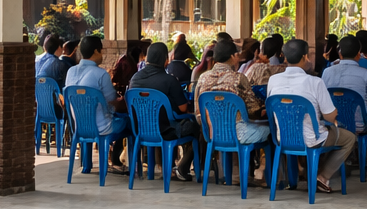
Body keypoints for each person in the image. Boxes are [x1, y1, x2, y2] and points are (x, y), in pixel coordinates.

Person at [267, 39, 355, 193]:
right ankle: (322, 177)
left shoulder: (273, 80)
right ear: (305, 57)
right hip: (311, 139)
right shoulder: (315, 82)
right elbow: (329, 116)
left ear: (285, 58)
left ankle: (306, 175)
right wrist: (333, 115)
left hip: (283, 137)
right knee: (349, 138)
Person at [194, 38, 270, 180]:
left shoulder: (203, 78)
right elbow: (253, 110)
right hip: (238, 134)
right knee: (270, 130)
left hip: (211, 133)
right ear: (233, 56)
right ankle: (269, 178)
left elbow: (198, 111)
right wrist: (262, 109)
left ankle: (231, 176)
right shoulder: (238, 78)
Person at [128, 42, 201, 182]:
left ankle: (164, 168)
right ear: (165, 60)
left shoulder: (135, 79)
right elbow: (183, 109)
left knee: (158, 122)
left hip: (140, 129)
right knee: (196, 127)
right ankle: (182, 167)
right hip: (166, 131)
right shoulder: (169, 80)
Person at [64, 36, 131, 172]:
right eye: (101, 51)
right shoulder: (101, 74)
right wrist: (123, 100)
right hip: (103, 128)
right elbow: (112, 102)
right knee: (130, 124)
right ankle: (129, 167)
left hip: (79, 126)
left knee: (92, 118)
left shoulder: (70, 72)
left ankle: (87, 166)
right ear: (95, 51)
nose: (102, 55)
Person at [322, 35, 367, 140]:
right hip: (360, 126)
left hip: (333, 124)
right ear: (358, 55)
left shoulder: (327, 72)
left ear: (339, 53)